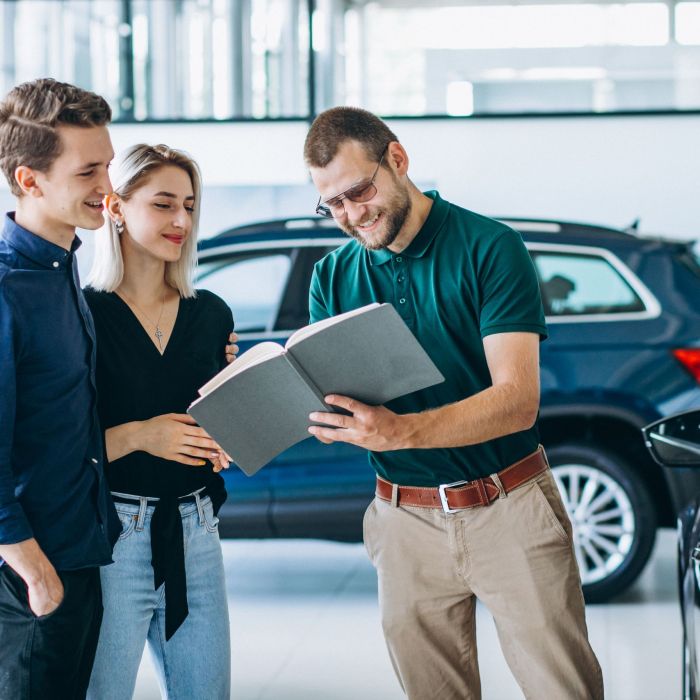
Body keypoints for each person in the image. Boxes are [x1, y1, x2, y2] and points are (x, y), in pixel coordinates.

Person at [303, 107, 604, 699]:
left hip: (508, 505)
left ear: (397, 159)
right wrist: (329, 421)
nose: (350, 214)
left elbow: (517, 401)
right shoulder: (331, 277)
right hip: (402, 520)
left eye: (358, 191)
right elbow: (335, 401)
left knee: (562, 689)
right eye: (331, 204)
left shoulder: (491, 247)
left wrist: (400, 431)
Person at [84, 144, 235, 700]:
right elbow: (53, 444)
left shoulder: (211, 313)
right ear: (115, 207)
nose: (181, 221)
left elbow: (212, 421)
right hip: (113, 536)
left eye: (190, 206)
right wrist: (143, 435)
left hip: (197, 531)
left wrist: (229, 429)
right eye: (163, 204)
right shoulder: (83, 315)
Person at [0, 79, 121, 698]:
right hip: (28, 574)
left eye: (109, 165)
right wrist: (35, 570)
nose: (108, 188)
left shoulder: (64, 267)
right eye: (88, 172)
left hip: (77, 551)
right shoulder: (6, 287)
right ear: (30, 180)